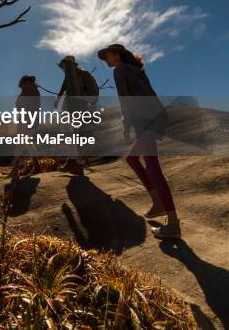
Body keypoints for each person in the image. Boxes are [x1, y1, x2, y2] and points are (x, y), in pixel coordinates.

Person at [98, 43, 181, 239]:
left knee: (152, 167)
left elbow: (125, 99)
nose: (106, 60)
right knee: (132, 158)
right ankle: (157, 202)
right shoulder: (135, 70)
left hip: (146, 120)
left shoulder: (119, 71)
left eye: (107, 56)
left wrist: (127, 123)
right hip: (155, 117)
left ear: (116, 55)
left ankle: (173, 223)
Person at [54, 56, 99, 176]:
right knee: (71, 132)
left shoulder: (81, 74)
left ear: (67, 65)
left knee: (72, 133)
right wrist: (59, 99)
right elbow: (64, 86)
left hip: (75, 106)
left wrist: (59, 99)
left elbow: (91, 93)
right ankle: (75, 163)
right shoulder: (74, 74)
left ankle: (75, 163)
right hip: (72, 105)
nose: (62, 69)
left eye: (63, 67)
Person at [10, 75, 41, 179]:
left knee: (20, 143)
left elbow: (20, 104)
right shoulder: (34, 88)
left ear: (22, 82)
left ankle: (15, 170)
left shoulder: (26, 87)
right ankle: (37, 166)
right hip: (33, 119)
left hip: (25, 119)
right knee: (27, 142)